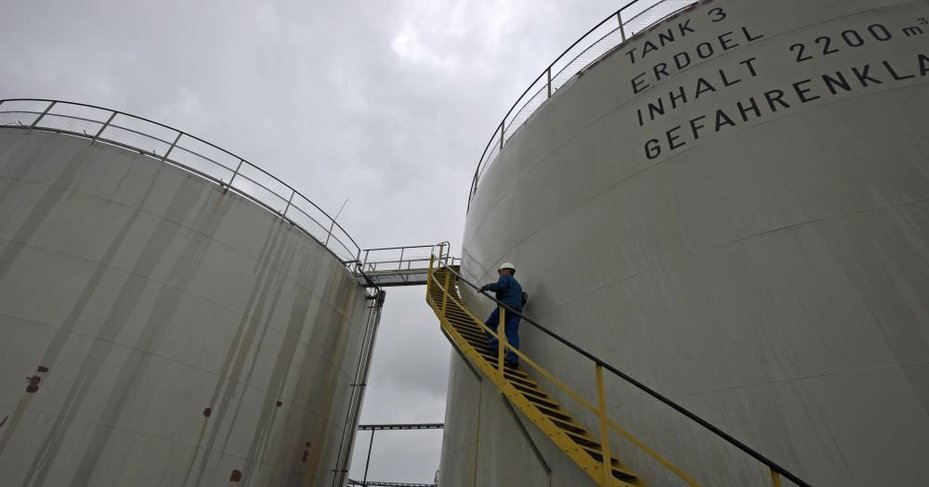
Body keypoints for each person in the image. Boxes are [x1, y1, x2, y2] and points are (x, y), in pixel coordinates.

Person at [480, 262, 525, 367]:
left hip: (505, 307)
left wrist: (484, 287)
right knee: (512, 333)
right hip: (516, 311)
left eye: (501, 271)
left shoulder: (505, 277)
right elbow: (523, 298)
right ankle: (513, 360)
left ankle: (497, 348)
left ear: (506, 270)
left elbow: (501, 286)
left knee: (489, 325)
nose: (500, 274)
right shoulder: (518, 286)